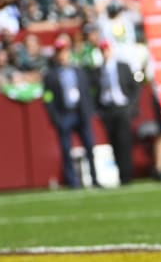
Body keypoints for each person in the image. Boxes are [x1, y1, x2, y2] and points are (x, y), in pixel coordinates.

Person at [42, 35, 100, 189]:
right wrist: (55, 118)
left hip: (80, 113)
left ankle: (94, 178)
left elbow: (87, 92)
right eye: (60, 52)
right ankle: (73, 181)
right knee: (66, 149)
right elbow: (47, 98)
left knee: (89, 147)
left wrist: (88, 112)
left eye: (65, 52)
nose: (63, 55)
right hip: (65, 114)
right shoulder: (50, 75)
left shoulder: (79, 71)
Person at [94, 40, 138, 185]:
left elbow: (134, 88)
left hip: (122, 108)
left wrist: (131, 107)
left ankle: (127, 175)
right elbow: (95, 92)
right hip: (108, 110)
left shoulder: (122, 66)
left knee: (124, 142)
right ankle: (120, 174)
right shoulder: (99, 70)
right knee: (114, 143)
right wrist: (100, 111)